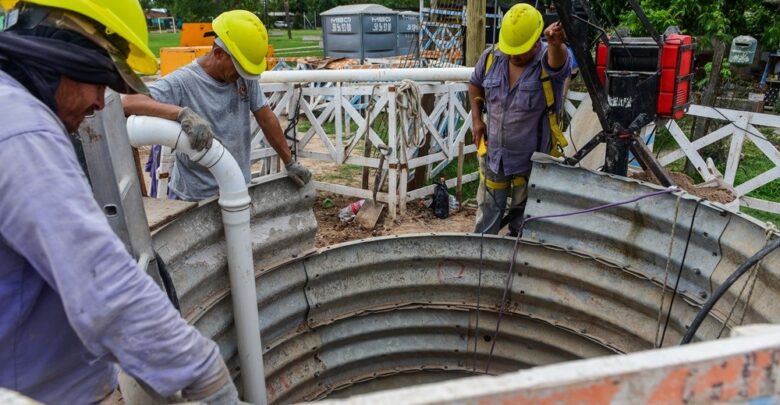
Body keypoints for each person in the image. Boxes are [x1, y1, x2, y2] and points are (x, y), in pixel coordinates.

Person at [0, 1, 240, 403]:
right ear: (61, 53)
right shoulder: (23, 134)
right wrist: (203, 371)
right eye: (100, 80)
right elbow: (101, 285)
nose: (100, 102)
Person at [122, 10, 311, 202]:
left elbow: (266, 117)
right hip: (195, 196)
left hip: (236, 187)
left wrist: (289, 162)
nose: (241, 75)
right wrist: (180, 113)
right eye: (238, 68)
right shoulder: (183, 82)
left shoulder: (243, 77)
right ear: (219, 53)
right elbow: (128, 102)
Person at [469, 3, 571, 236]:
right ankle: (482, 266)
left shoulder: (548, 60)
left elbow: (559, 63)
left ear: (537, 41)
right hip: (494, 157)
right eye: (510, 49)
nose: (514, 55)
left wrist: (557, 45)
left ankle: (514, 267)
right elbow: (474, 83)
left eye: (520, 49)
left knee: (523, 227)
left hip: (530, 165)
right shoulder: (491, 58)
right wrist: (477, 119)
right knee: (486, 221)